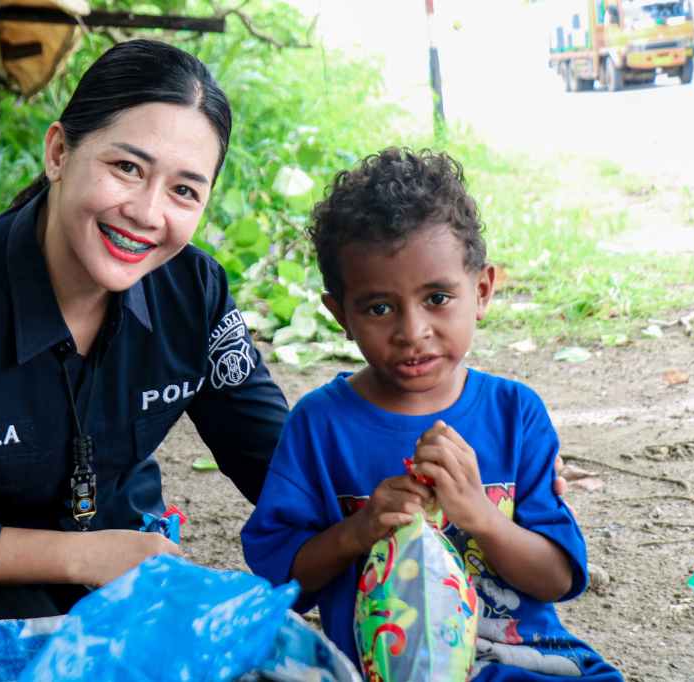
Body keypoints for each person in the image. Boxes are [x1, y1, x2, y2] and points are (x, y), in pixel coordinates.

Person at [0, 39, 289, 625]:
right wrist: (84, 557)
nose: (147, 213)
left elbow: (275, 460)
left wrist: (382, 509)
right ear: (58, 153)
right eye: (127, 168)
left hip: (120, 573)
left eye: (184, 190)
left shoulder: (193, 293)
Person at [241, 148, 622, 680]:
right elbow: (281, 581)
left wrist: (481, 516)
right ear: (340, 314)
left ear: (481, 291)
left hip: (517, 663)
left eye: (438, 298)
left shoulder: (515, 414)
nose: (412, 331)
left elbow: (557, 579)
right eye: (379, 308)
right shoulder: (320, 426)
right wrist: (359, 530)